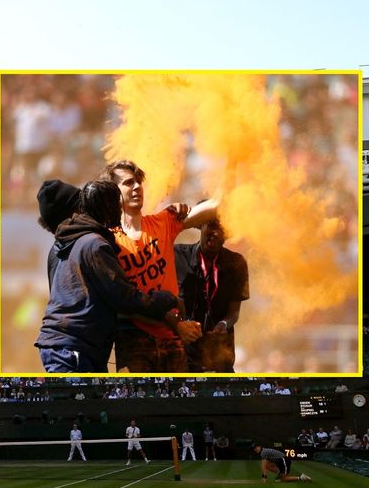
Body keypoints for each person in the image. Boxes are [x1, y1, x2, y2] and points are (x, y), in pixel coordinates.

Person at [35, 180, 182, 373]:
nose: (119, 209)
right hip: (75, 350)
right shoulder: (94, 244)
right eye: (114, 203)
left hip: (70, 347)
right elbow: (124, 298)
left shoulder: (58, 249)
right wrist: (169, 299)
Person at [102, 160, 214, 372]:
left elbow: (213, 208)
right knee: (138, 402)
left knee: (178, 403)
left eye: (138, 182)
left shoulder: (164, 221)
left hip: (172, 336)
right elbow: (122, 302)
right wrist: (177, 325)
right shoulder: (107, 240)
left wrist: (236, 167)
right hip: (133, 338)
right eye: (128, 183)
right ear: (113, 193)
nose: (137, 187)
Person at [173, 217, 248, 373]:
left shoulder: (237, 263)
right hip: (183, 356)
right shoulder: (177, 255)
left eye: (222, 229)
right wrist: (182, 323)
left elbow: (234, 312)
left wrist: (223, 324)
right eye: (212, 226)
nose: (215, 233)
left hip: (220, 355)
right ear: (200, 225)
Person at [36, 179, 82, 288]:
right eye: (81, 205)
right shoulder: (84, 246)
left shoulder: (57, 252)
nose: (86, 209)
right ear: (73, 215)